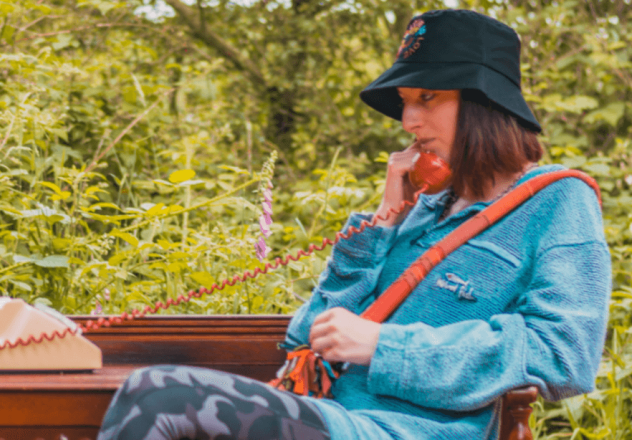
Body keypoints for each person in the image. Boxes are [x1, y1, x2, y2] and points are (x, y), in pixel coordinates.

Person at [95, 9, 611, 440]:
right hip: (333, 416)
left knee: (158, 395)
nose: (408, 122)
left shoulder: (557, 200)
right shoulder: (423, 207)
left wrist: (384, 347)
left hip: (403, 431)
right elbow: (307, 336)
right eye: (406, 103)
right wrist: (382, 226)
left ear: (483, 103)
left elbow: (564, 353)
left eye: (427, 98)